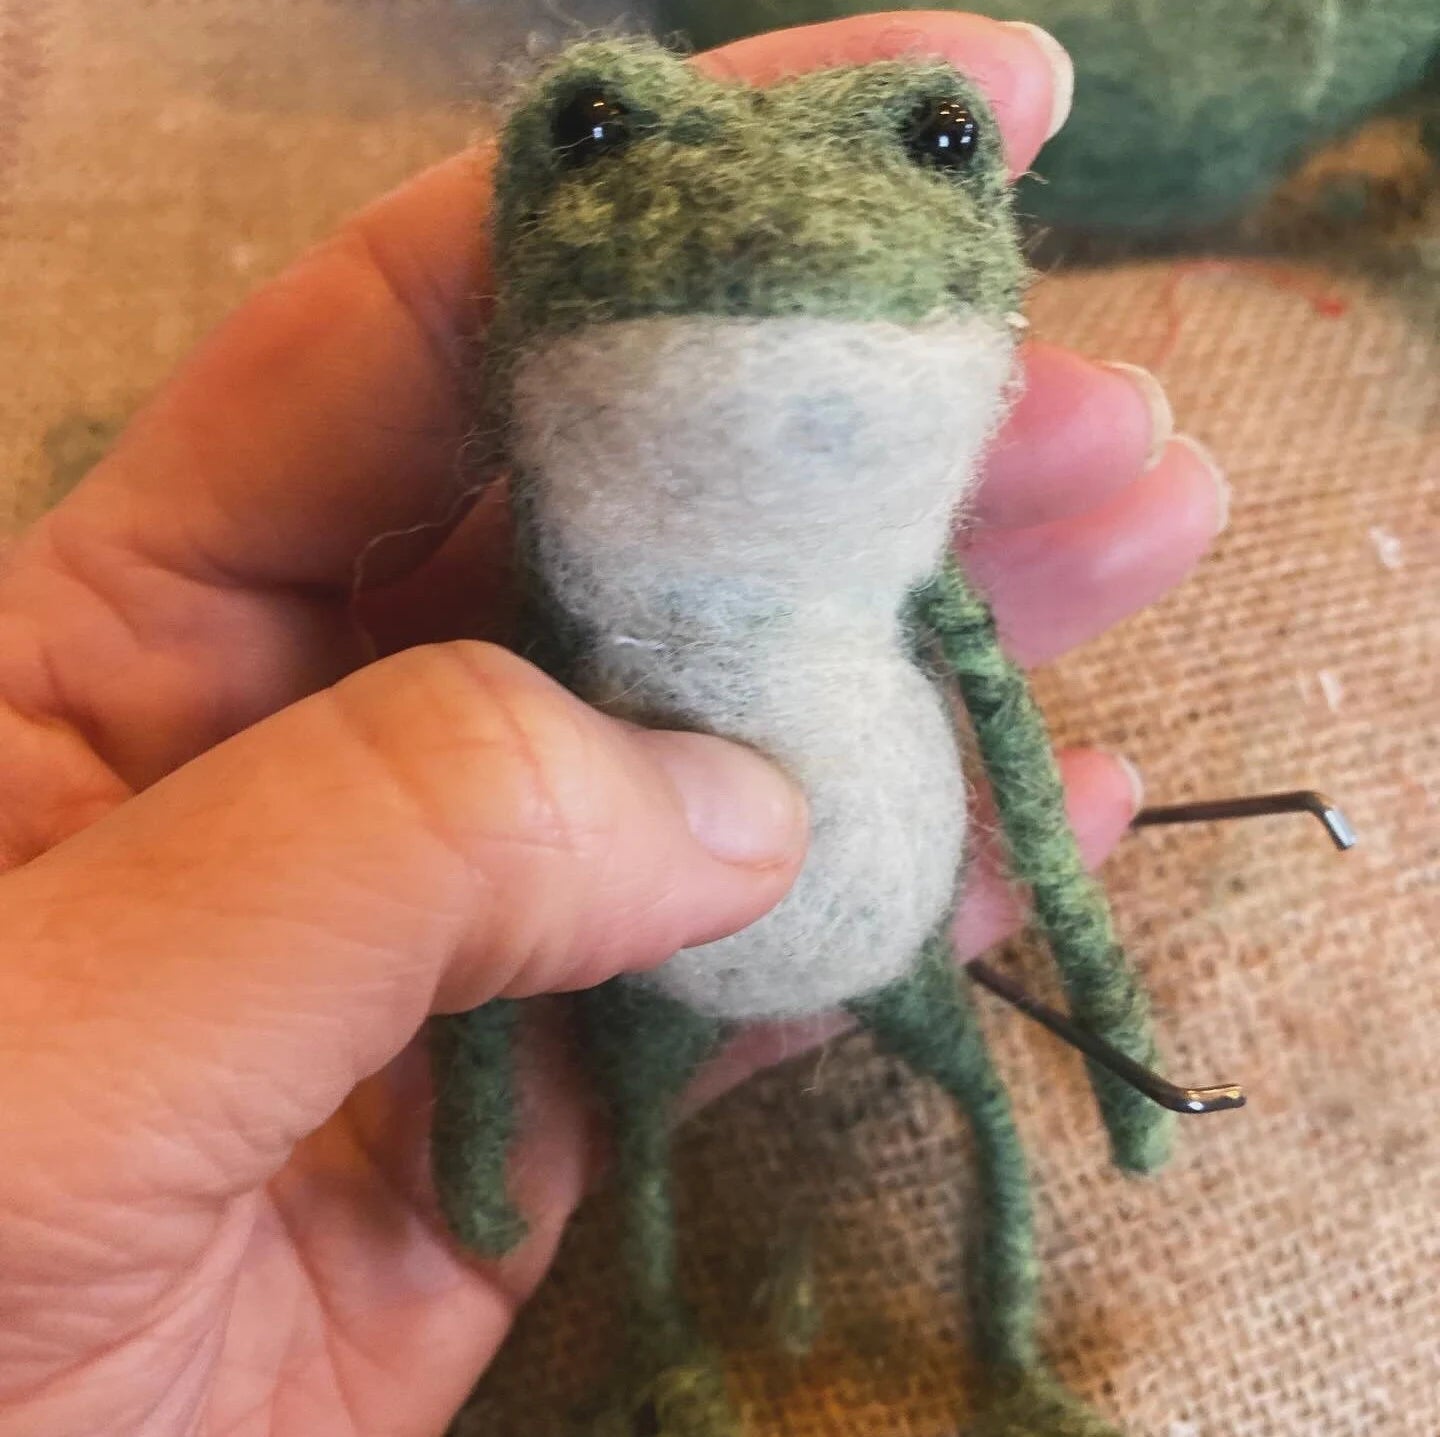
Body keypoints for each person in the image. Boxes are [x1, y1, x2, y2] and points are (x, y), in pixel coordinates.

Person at [0, 13, 1227, 1436]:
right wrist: (472, 1124)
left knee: (962, 1098)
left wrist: (1095, 975)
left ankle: (1006, 1360)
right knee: (643, 1133)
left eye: (941, 144)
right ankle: (666, 1356)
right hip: (660, 957)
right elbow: (457, 899)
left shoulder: (883, 595)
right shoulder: (539, 661)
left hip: (854, 907)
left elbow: (1008, 744)